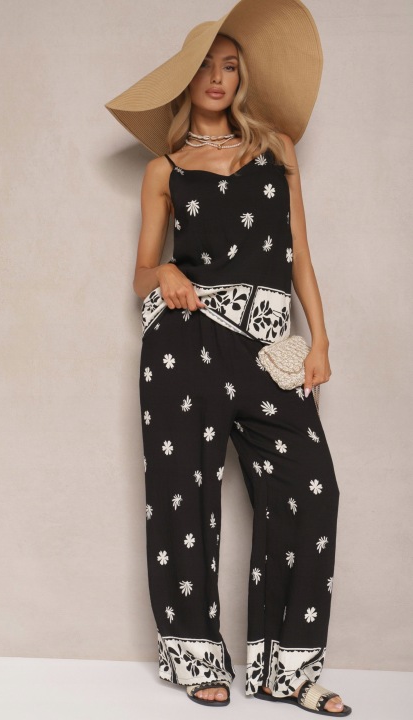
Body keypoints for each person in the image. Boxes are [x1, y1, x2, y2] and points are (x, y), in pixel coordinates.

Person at [106, 0, 351, 715]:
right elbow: (140, 274)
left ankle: (286, 670)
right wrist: (165, 273)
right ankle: (194, 657)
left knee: (311, 489)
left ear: (241, 78)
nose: (217, 77)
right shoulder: (164, 170)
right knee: (183, 495)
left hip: (269, 346)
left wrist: (320, 339)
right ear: (185, 80)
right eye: (205, 67)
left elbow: (299, 252)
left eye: (230, 66)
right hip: (185, 345)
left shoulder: (277, 149)